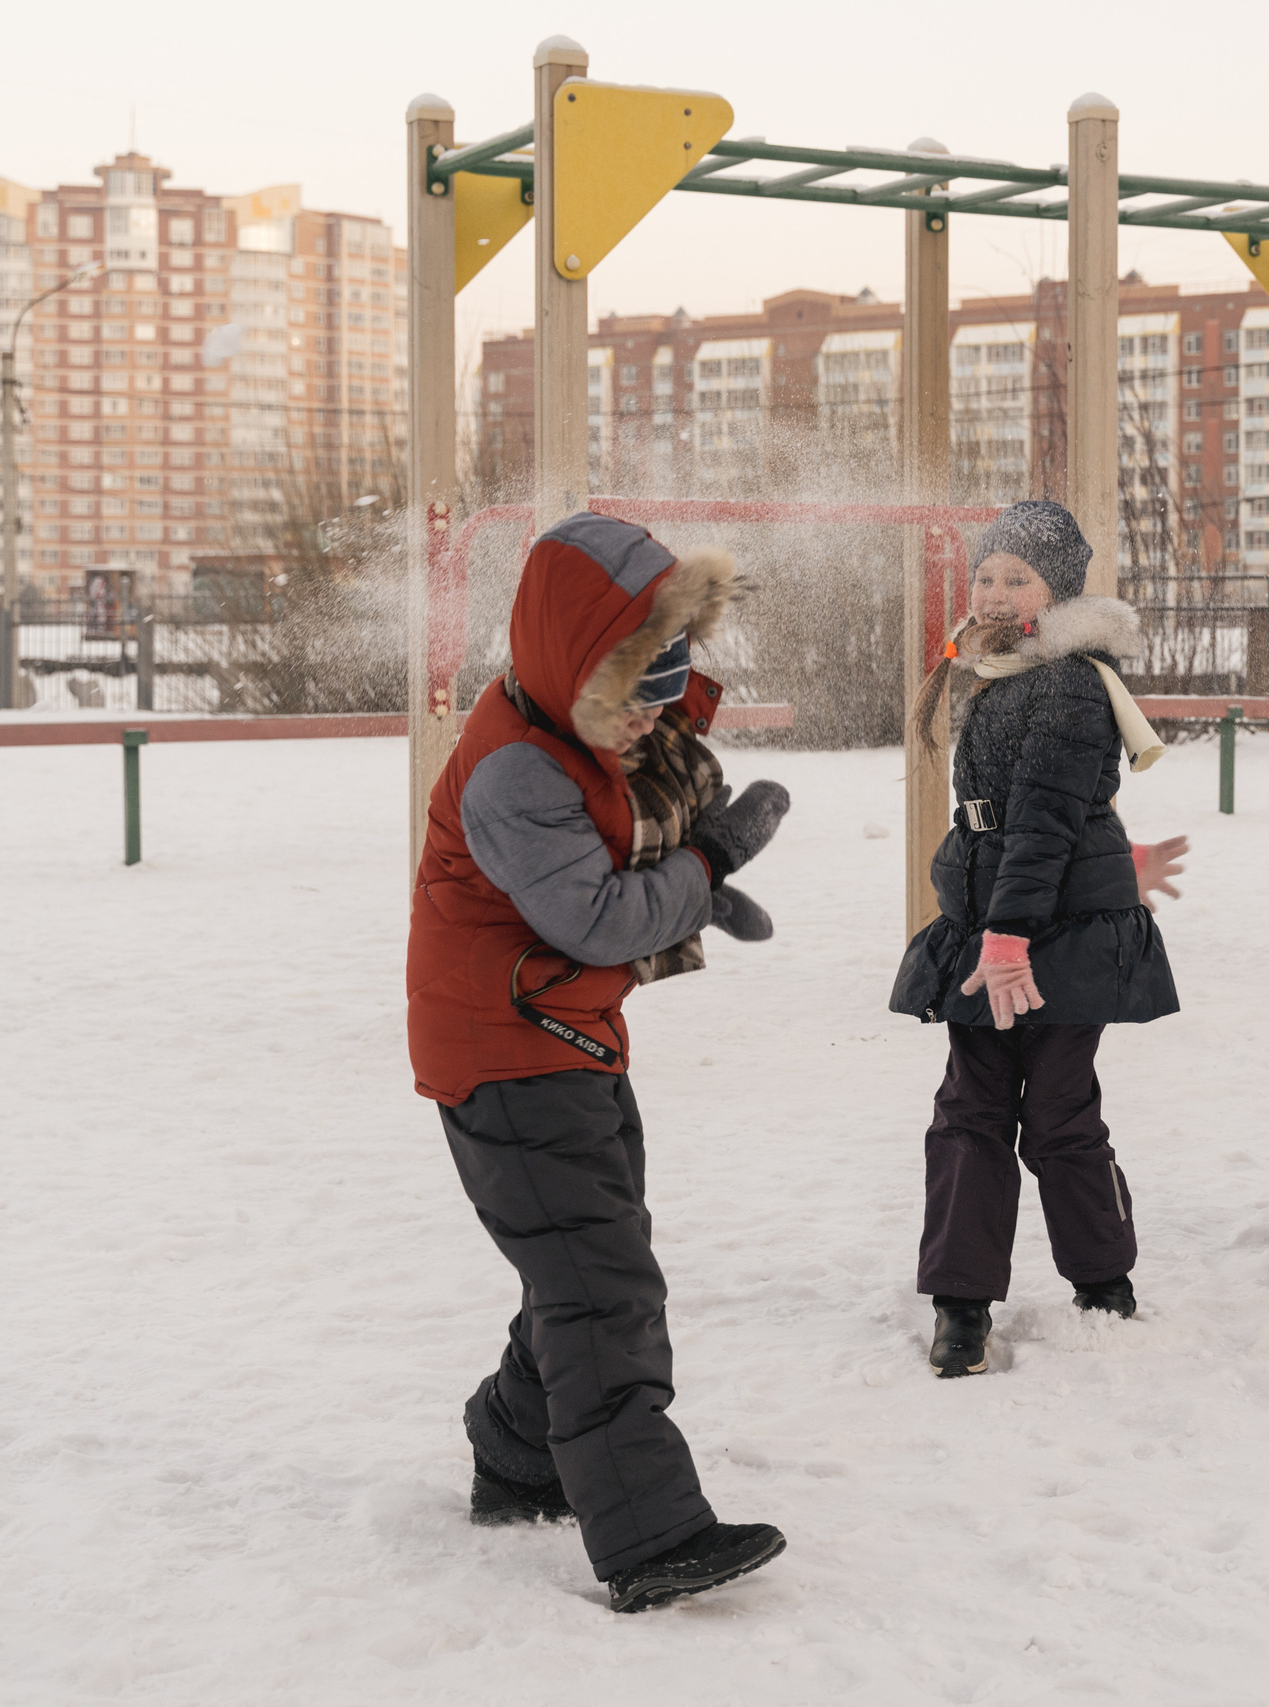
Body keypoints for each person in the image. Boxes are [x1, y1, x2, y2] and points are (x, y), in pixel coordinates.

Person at [406, 511, 792, 1613]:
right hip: (508, 1052)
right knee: (599, 1281)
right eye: (637, 691)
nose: (654, 717)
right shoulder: (515, 776)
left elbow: (623, 854)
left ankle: (518, 1451)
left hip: (559, 1036)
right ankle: (649, 1535)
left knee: (586, 1262)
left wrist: (698, 872)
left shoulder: (567, 734)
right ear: (577, 667)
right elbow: (597, 919)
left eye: (670, 684)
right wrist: (709, 865)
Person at [889, 500, 1186, 1378]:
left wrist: (1011, 936)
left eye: (1016, 575)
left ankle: (1104, 1280)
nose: (993, 587)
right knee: (970, 1109)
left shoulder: (1063, 682)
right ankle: (961, 1300)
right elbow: (1048, 817)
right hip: (998, 923)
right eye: (985, 573)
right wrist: (1108, 861)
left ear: (1054, 591)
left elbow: (1045, 820)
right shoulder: (998, 673)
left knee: (1056, 1111)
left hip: (1044, 939)